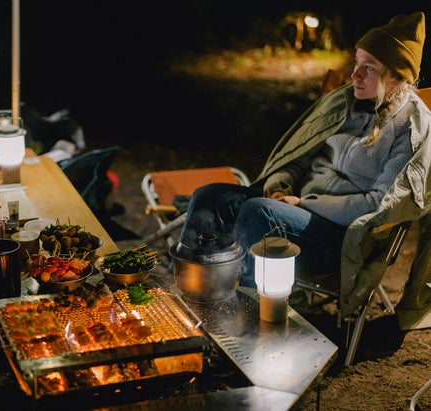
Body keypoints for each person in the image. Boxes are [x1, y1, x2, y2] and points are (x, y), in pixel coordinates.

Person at [173, 12, 431, 318]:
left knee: (257, 213)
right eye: (356, 63)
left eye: (369, 68)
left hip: (338, 236)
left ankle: (237, 317)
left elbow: (377, 204)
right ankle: (189, 297)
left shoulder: (411, 129)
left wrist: (305, 203)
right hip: (293, 210)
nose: (354, 76)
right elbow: (300, 156)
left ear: (397, 77)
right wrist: (280, 184)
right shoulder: (346, 102)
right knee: (209, 197)